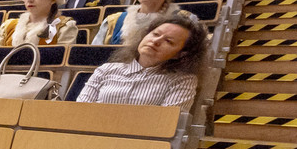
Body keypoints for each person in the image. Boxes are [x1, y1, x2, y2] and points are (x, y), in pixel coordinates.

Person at [78, 14, 208, 107]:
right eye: (155, 34)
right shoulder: (106, 70)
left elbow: (167, 124)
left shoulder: (183, 80)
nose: (156, 41)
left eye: (168, 41)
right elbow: (81, 110)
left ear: (180, 54)